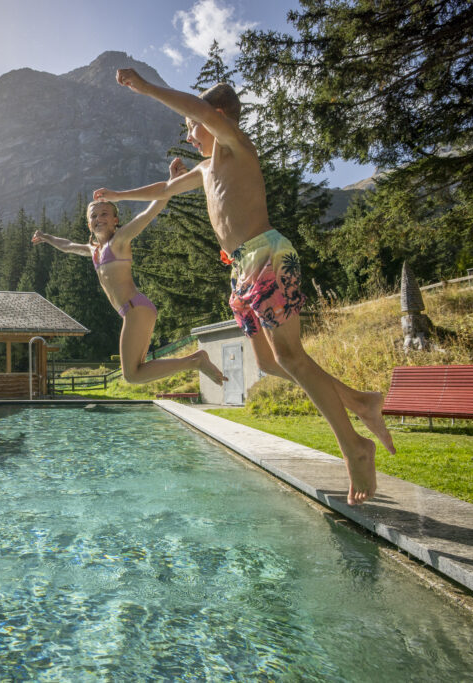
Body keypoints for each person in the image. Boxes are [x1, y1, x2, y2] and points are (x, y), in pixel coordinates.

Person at [96, 68, 394, 506]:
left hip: (267, 255)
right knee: (272, 363)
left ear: (217, 117)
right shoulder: (206, 166)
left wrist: (146, 89)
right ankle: (359, 401)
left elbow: (198, 110)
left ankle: (355, 447)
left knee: (291, 356)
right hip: (243, 269)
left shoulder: (236, 145)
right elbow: (166, 187)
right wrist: (118, 196)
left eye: (193, 127)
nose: (191, 135)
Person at [32, 161, 227, 388]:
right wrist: (45, 236)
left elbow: (149, 213)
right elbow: (66, 245)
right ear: (89, 224)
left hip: (136, 308)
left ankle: (196, 361)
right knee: (136, 372)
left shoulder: (120, 240)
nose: (99, 219)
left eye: (104, 214)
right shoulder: (94, 250)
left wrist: (171, 183)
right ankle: (195, 360)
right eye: (94, 216)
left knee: (131, 374)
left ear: (116, 220)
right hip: (133, 310)